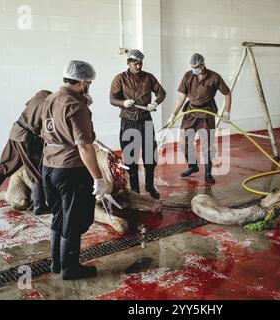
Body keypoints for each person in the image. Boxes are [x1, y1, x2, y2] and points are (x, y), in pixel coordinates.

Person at [41, 60, 108, 280]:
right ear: (83, 81)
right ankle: (70, 268)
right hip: (71, 169)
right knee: (74, 217)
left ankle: (57, 263)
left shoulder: (49, 99)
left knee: (59, 215)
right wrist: (98, 177)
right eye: (89, 82)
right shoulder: (76, 106)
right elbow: (84, 145)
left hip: (49, 167)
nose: (89, 86)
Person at [0, 90, 52, 215]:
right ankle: (39, 206)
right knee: (35, 171)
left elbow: (27, 105)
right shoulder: (54, 104)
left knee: (6, 165)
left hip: (16, 130)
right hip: (27, 137)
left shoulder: (42, 93)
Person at [110, 49, 166, 199]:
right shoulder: (120, 79)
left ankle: (149, 185)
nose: (139, 66)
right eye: (136, 64)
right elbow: (112, 99)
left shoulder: (148, 77)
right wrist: (123, 102)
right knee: (130, 157)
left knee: (150, 156)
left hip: (145, 120)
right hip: (128, 121)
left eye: (140, 63)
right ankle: (135, 189)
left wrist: (155, 102)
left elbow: (162, 93)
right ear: (128, 63)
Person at [168, 53, 232, 184]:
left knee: (207, 145)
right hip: (190, 112)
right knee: (184, 142)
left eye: (196, 66)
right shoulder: (188, 75)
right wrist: (173, 114)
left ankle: (208, 173)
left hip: (206, 113)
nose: (194, 69)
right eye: (192, 67)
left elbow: (227, 93)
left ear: (203, 65)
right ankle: (193, 166)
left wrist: (227, 112)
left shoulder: (214, 77)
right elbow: (181, 96)